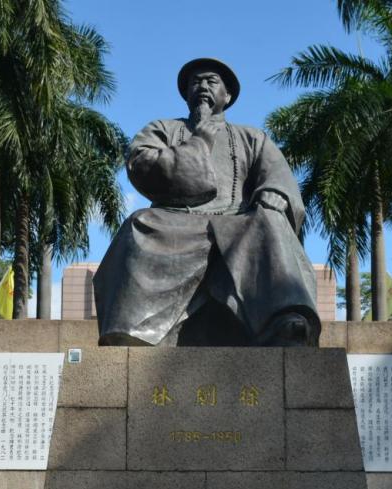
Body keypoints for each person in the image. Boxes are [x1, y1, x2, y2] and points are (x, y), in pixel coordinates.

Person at [93, 57, 321, 346]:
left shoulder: (252, 137)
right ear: (186, 93)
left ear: (228, 96)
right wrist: (199, 141)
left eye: (211, 81)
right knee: (139, 224)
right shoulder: (163, 128)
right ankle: (133, 329)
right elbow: (142, 164)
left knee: (269, 222)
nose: (202, 86)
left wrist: (274, 194)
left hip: (240, 223)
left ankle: (282, 320)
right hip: (176, 221)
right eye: (195, 82)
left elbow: (277, 178)